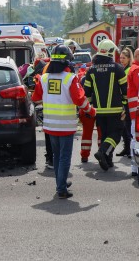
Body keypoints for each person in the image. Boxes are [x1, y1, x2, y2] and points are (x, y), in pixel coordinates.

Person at [32, 45, 96, 198]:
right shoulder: (70, 78)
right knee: (65, 157)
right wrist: (92, 111)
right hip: (66, 125)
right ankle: (61, 188)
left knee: (56, 156)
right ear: (67, 61)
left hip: (50, 125)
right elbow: (80, 100)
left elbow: (35, 98)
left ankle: (61, 182)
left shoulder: (44, 78)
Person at [83, 39, 127, 171]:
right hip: (115, 110)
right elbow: (125, 90)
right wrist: (125, 105)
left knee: (105, 134)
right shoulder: (118, 68)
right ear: (110, 52)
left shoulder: (91, 70)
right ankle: (103, 152)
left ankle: (108, 160)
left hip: (98, 111)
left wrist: (89, 107)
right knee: (115, 134)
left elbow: (87, 93)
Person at [126, 47, 139, 176]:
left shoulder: (135, 68)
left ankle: (135, 167)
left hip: (136, 109)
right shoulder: (137, 69)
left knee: (135, 138)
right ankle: (135, 167)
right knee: (136, 138)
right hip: (138, 109)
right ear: (137, 56)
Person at [116, 48, 133, 158]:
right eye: (121, 58)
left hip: (127, 102)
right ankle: (126, 148)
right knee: (124, 127)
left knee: (127, 126)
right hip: (123, 101)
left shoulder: (128, 70)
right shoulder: (123, 69)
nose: (121, 60)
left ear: (129, 58)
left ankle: (129, 149)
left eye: (124, 58)